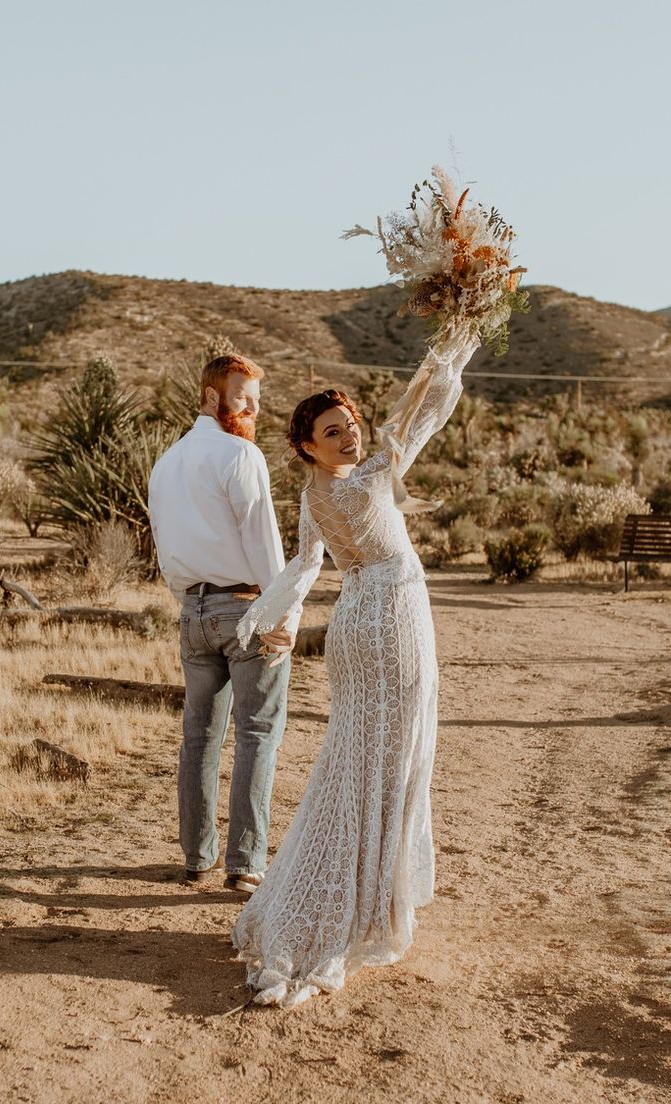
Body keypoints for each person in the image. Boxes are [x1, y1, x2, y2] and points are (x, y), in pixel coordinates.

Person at [231, 328, 479, 1005]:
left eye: (352, 427)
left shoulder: (313, 500)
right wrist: (453, 351)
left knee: (355, 758)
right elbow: (420, 413)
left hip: (354, 624)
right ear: (307, 444)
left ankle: (352, 892)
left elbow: (306, 567)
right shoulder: (370, 478)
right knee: (390, 761)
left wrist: (279, 620)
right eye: (334, 431)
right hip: (394, 620)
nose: (352, 438)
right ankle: (368, 909)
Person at [148, 354, 295, 895]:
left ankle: (196, 857)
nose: (252, 409)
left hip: (193, 611)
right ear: (212, 397)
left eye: (256, 398)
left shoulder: (164, 463)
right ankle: (245, 862)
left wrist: (188, 602)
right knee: (257, 733)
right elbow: (263, 542)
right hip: (248, 607)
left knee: (199, 737)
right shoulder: (240, 454)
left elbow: (164, 545)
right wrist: (285, 615)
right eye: (242, 396)